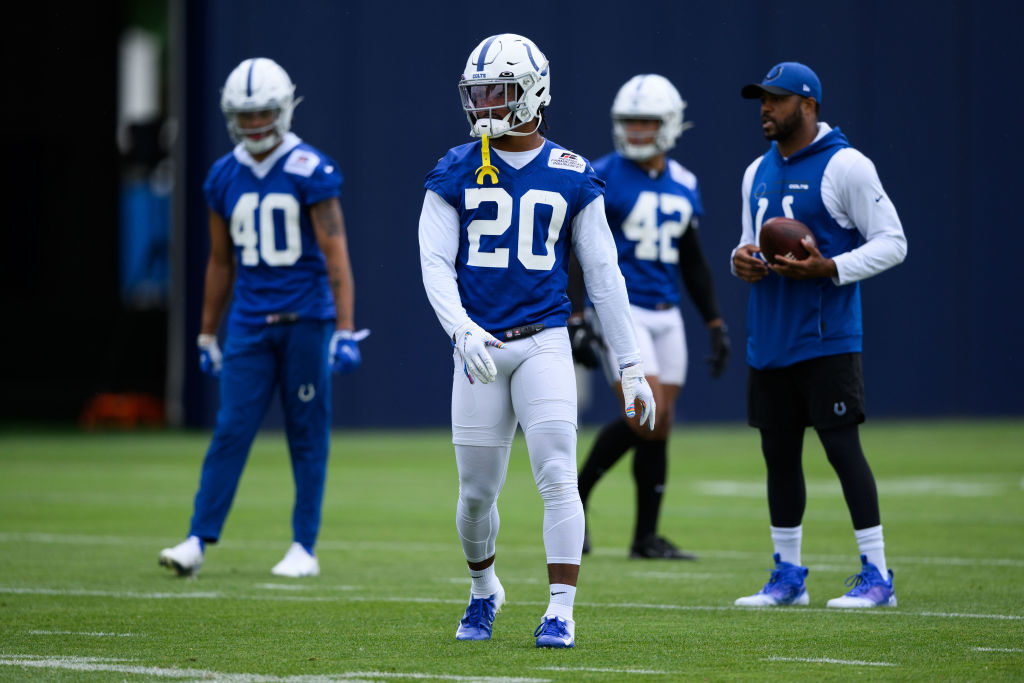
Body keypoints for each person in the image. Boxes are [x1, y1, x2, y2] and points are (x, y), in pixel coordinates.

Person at [419, 34, 656, 648]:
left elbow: (605, 277)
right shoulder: (453, 167)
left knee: (557, 475)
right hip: (479, 348)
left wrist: (630, 365)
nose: (484, 106)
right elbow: (434, 264)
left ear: (533, 93)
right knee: (476, 495)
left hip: (545, 340)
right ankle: (483, 590)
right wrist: (462, 329)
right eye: (477, 94)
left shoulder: (574, 173)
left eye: (497, 92)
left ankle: (561, 609)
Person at [159, 57, 366, 579]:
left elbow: (336, 253)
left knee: (306, 433)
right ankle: (197, 540)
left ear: (284, 110)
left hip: (305, 319)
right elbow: (220, 260)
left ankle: (304, 546)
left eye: (263, 114)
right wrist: (208, 331)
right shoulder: (223, 176)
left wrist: (344, 329)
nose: (254, 125)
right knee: (230, 429)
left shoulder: (309, 169)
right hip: (250, 322)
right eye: (244, 115)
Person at [730, 62, 907, 608]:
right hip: (770, 336)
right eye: (762, 99)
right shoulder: (754, 170)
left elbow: (893, 242)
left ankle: (877, 575)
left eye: (776, 100)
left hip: (826, 337)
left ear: (808, 106)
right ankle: (788, 576)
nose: (765, 108)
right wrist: (741, 261)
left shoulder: (846, 165)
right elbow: (747, 242)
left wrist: (828, 268)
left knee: (841, 450)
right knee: (778, 456)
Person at [571, 74, 730, 560]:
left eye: (647, 122)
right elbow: (580, 252)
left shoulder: (685, 182)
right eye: (629, 122)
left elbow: (693, 259)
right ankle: (573, 500)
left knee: (659, 423)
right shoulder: (600, 174)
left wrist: (714, 322)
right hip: (621, 309)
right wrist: (578, 315)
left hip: (666, 311)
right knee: (644, 414)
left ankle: (645, 537)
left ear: (670, 124)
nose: (637, 131)